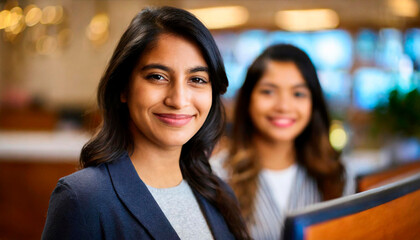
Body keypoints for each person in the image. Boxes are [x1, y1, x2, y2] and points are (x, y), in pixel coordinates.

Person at [42, 6, 250, 240]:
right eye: (157, 77)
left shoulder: (219, 194)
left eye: (197, 79)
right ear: (123, 87)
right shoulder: (83, 198)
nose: (178, 100)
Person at [211, 44, 354, 240]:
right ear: (248, 100)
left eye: (298, 94)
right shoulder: (217, 176)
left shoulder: (337, 174)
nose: (284, 106)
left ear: (313, 104)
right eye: (268, 92)